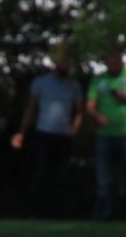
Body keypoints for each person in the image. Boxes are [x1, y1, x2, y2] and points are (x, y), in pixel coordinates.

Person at [11, 46, 81, 215]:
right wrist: (21, 132)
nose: (66, 64)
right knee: (40, 172)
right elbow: (31, 108)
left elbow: (79, 112)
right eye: (63, 61)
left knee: (62, 175)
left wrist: (74, 130)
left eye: (68, 61)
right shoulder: (41, 83)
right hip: (43, 133)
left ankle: (60, 212)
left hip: (63, 135)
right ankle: (36, 211)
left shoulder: (74, 85)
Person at [85, 47, 126, 221]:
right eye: (109, 60)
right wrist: (98, 116)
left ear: (121, 60)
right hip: (105, 134)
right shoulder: (99, 80)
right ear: (105, 62)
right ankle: (103, 215)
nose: (113, 63)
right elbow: (90, 106)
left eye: (116, 60)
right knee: (103, 178)